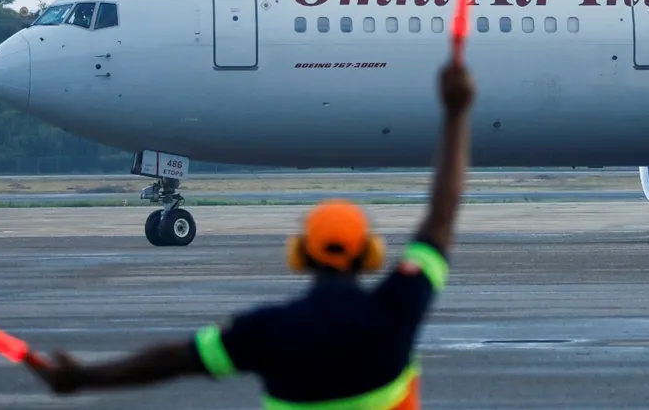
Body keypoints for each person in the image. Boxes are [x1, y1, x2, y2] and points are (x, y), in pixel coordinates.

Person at [27, 60, 475, 408]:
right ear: (371, 253)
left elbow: (171, 361)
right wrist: (457, 113)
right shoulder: (397, 312)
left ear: (299, 253)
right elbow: (442, 215)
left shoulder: (267, 330)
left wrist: (83, 377)